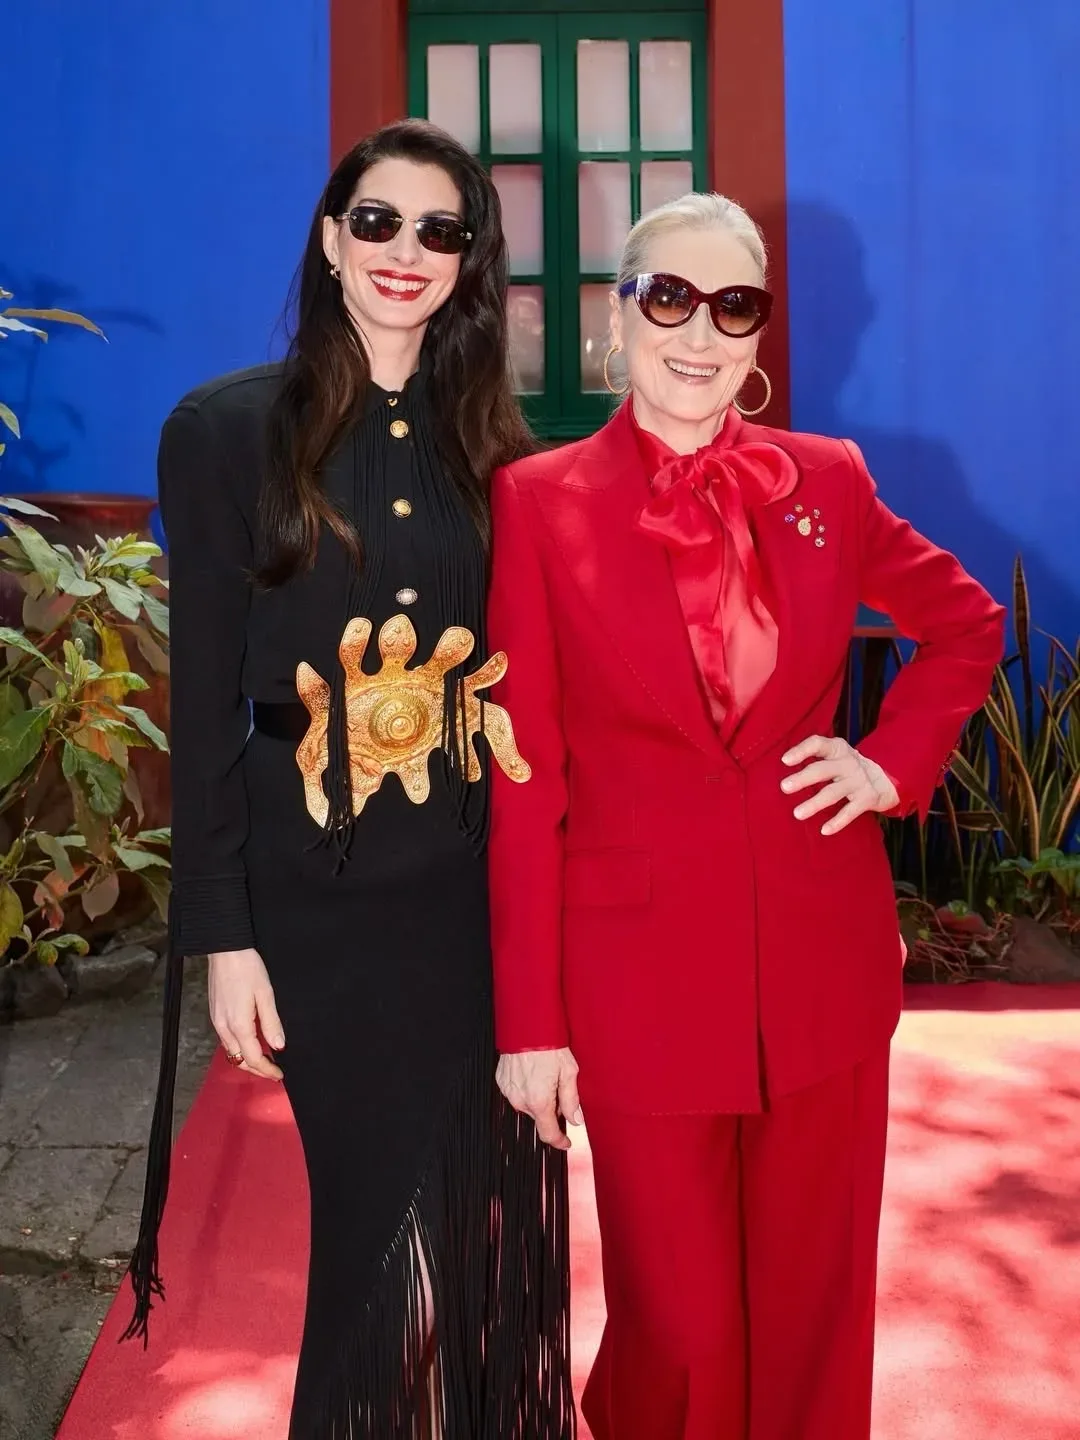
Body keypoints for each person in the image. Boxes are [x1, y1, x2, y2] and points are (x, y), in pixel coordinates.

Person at [487, 192, 1005, 1440]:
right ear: (619, 317)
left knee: (812, 1297)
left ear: (760, 332)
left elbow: (966, 624)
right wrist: (531, 1022)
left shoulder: (827, 480)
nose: (699, 332)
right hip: (635, 976)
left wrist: (887, 765)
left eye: (734, 306)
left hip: (821, 964)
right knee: (682, 1320)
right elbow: (525, 778)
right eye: (669, 296)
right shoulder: (538, 502)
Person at [126, 119, 575, 1440]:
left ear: (470, 263)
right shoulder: (223, 432)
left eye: (441, 231)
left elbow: (545, 694)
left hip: (472, 890)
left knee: (490, 1220)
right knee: (380, 1236)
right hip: (316, 901)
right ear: (330, 239)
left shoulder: (502, 452)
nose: (405, 251)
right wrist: (223, 933)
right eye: (377, 221)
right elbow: (201, 699)